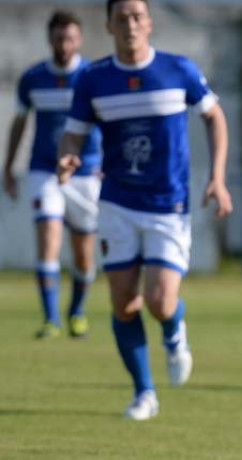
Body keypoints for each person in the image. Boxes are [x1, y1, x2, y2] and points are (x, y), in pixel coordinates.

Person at [57, 0, 232, 420]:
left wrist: (218, 176)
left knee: (158, 300)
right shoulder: (94, 79)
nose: (130, 24)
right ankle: (144, 393)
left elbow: (214, 116)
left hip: (167, 205)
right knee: (122, 303)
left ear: (149, 23)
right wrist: (67, 157)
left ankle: (174, 331)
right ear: (110, 25)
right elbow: (72, 136)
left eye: (137, 16)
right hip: (116, 201)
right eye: (122, 18)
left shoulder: (179, 70)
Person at [4, 11, 102, 340]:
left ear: (79, 40)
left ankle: (75, 312)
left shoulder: (92, 76)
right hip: (43, 169)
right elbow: (19, 123)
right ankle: (50, 319)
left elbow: (108, 122)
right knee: (47, 239)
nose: (64, 44)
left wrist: (108, 164)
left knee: (83, 251)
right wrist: (8, 167)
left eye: (70, 37)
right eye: (59, 38)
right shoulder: (33, 78)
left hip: (86, 172)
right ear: (50, 40)